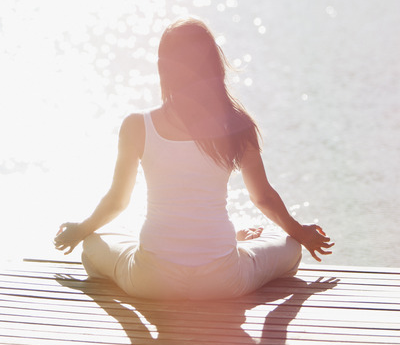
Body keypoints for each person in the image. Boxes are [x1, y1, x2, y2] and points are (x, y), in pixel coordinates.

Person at [54, 17, 333, 300]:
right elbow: (262, 198)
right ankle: (232, 242)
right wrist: (301, 233)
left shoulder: (137, 125)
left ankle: (229, 242)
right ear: (214, 65)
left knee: (93, 242)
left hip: (152, 280)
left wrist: (80, 230)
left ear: (164, 68)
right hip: (222, 281)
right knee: (289, 244)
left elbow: (118, 202)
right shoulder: (238, 125)